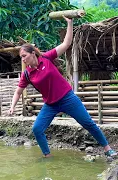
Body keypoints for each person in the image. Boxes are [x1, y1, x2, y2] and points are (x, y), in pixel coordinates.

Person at [8, 16, 117, 158]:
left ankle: (108, 149)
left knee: (88, 123)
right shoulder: (27, 74)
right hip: (50, 105)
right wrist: (12, 106)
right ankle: (48, 156)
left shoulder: (46, 58)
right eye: (21, 57)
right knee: (37, 129)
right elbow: (18, 91)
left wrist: (69, 23)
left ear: (33, 53)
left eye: (24, 55)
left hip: (67, 98)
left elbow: (66, 43)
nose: (22, 59)